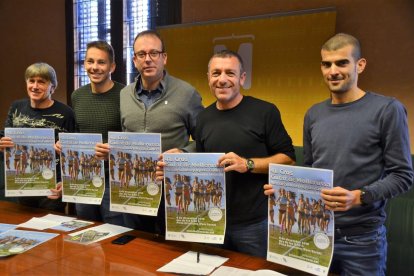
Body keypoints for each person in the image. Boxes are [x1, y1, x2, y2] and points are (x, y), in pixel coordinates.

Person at [264, 33, 413, 275]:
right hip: (314, 233)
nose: (333, 71)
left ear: (360, 65)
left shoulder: (387, 110)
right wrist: (286, 189)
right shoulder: (314, 114)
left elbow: (403, 176)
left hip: (362, 241)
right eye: (326, 64)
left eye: (342, 63)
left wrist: (359, 196)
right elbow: (311, 172)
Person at [96, 30, 204, 233]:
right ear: (134, 60)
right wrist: (114, 150)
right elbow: (126, 136)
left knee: (167, 251)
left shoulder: (186, 93)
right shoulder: (124, 94)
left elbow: (205, 140)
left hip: (172, 189)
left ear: (164, 57)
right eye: (142, 54)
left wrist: (185, 152)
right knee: (135, 249)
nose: (148, 60)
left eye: (154, 53)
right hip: (133, 188)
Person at [193, 50, 295, 257]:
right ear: (208, 78)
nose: (222, 80)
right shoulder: (203, 118)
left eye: (230, 73)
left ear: (242, 78)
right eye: (216, 73)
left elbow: (289, 159)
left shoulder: (265, 111)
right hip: (213, 220)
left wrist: (247, 164)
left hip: (255, 223)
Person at [56, 40, 125, 225]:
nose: (95, 67)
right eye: (90, 61)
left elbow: (132, 135)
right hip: (83, 175)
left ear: (112, 66)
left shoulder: (125, 95)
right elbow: (78, 132)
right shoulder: (77, 95)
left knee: (114, 232)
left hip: (114, 179)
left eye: (101, 62)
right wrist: (66, 146)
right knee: (84, 229)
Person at [0, 62, 76, 212]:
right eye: (31, 80)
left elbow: (73, 153)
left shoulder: (66, 112)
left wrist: (65, 183)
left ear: (52, 87)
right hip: (21, 184)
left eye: (41, 82)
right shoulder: (17, 107)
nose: (35, 86)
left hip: (52, 188)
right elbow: (4, 135)